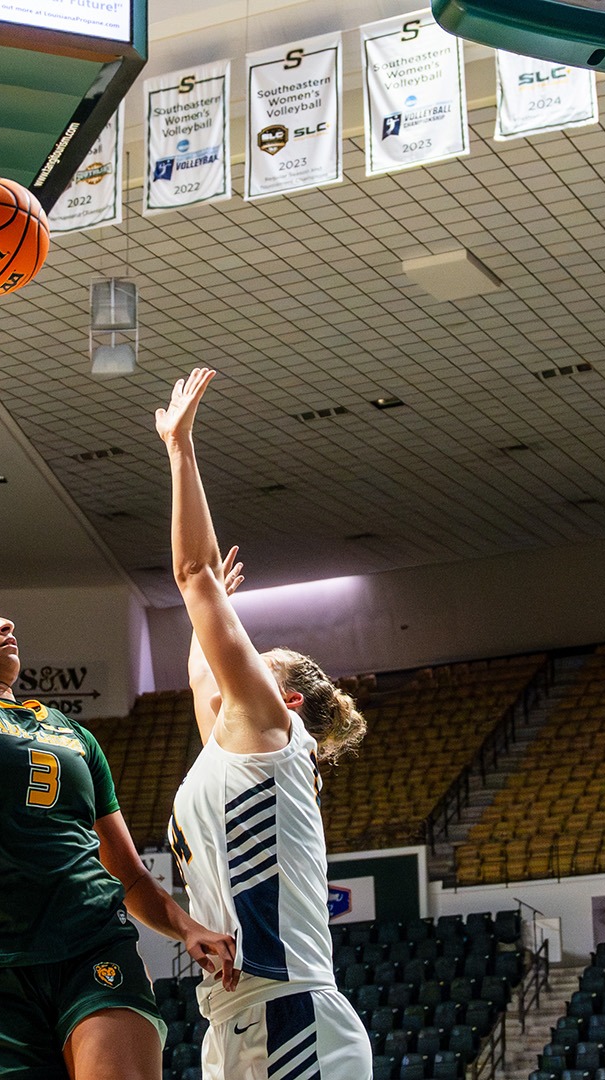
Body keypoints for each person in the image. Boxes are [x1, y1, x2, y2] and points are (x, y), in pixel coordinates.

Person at [0, 303, 237, 1080]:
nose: (1, 622)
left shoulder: (73, 735)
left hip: (90, 944)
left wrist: (185, 927)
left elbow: (128, 873)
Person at [155, 367, 372, 1080]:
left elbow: (192, 573)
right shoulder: (230, 750)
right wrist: (210, 609)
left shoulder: (271, 731)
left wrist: (181, 449)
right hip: (237, 1019)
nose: (236, 668)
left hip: (290, 1012)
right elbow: (200, 672)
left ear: (289, 702)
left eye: (255, 662)